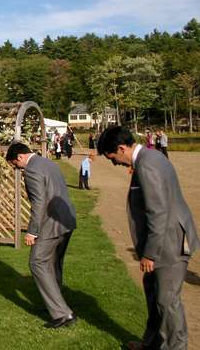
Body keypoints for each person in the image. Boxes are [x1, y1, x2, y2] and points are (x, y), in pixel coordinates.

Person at [96, 126, 198, 350]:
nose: (116, 164)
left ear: (121, 149)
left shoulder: (147, 164)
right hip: (163, 240)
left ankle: (176, 347)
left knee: (167, 301)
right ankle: (152, 343)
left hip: (168, 244)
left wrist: (150, 253)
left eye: (113, 159)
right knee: (154, 295)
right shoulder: (151, 158)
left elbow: (157, 212)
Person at [6, 143, 77, 328]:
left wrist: (32, 231)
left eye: (15, 164)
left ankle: (62, 313)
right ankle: (56, 305)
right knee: (54, 264)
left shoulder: (31, 170)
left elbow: (39, 203)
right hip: (67, 220)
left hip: (51, 223)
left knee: (37, 262)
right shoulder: (48, 163)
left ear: (20, 157)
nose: (17, 168)